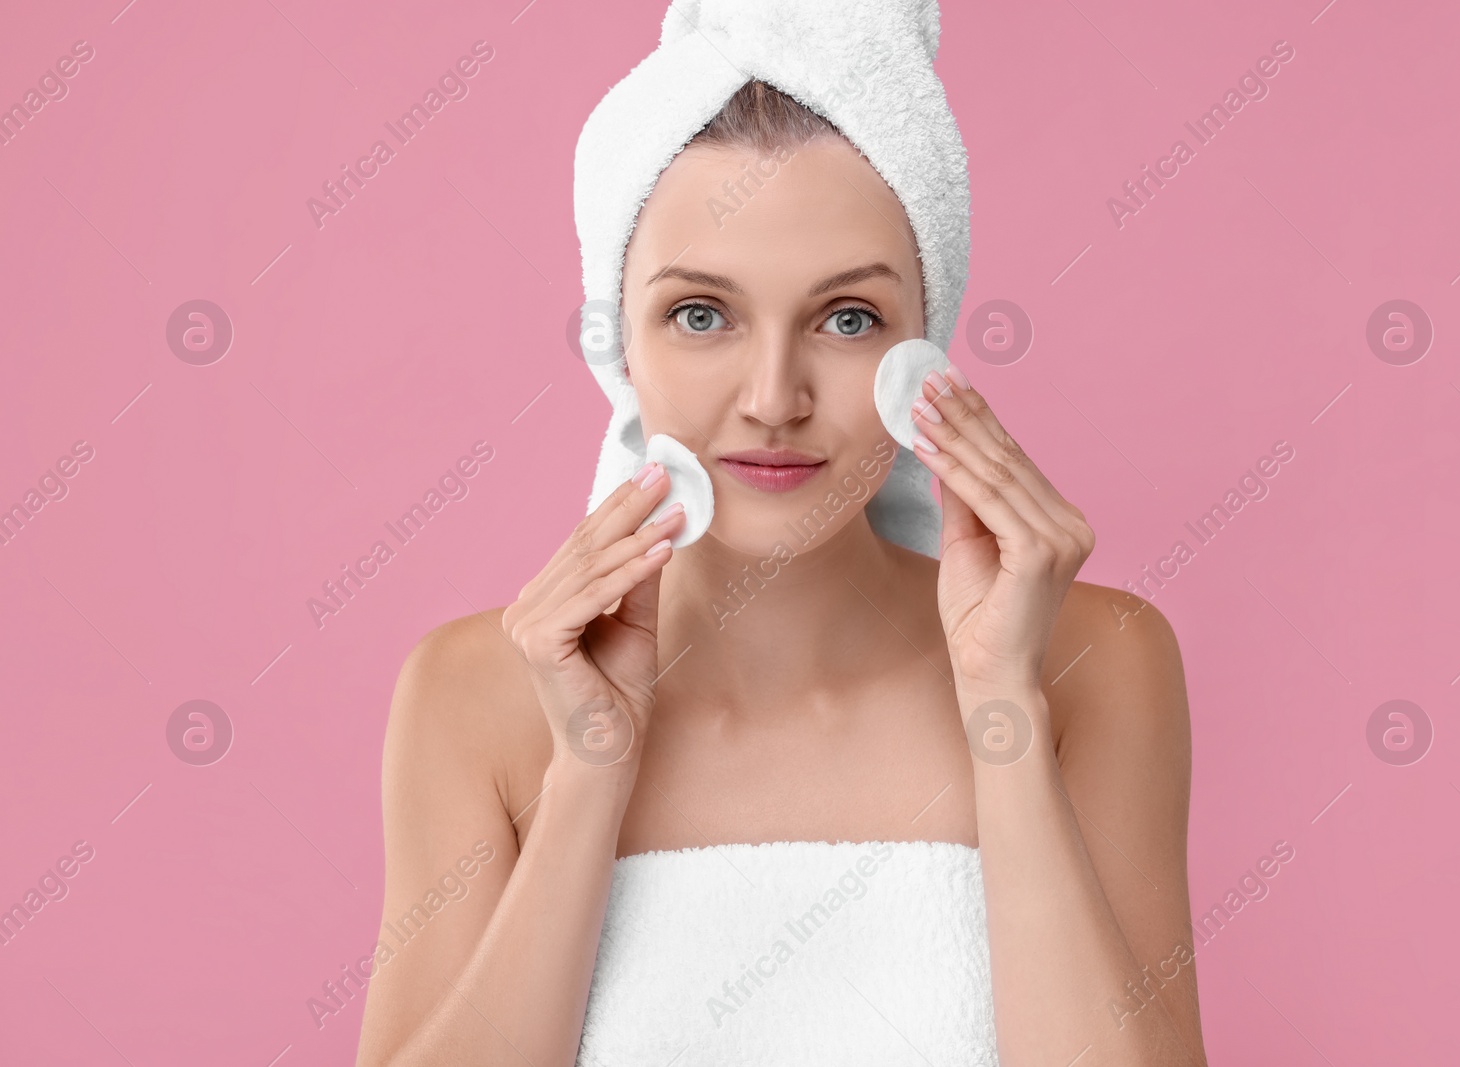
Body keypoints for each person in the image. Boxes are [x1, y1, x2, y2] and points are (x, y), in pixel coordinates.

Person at [356, 6, 1205, 1066]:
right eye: (701, 314)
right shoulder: (474, 693)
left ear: (922, 348)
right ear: (618, 338)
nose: (773, 397)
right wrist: (586, 777)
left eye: (845, 317)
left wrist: (1003, 712)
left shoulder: (1097, 663)